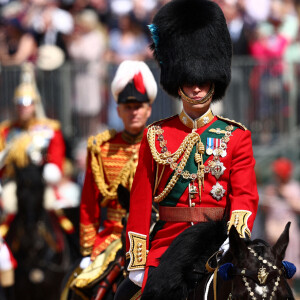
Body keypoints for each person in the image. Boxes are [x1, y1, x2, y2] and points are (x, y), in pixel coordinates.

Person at [115, 0, 259, 297]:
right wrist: (138, 259)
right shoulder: (156, 135)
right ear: (178, 81)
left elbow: (244, 196)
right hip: (167, 246)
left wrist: (233, 240)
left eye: (202, 81)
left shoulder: (236, 136)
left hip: (218, 245)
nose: (195, 88)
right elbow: (141, 203)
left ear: (213, 81)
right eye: (189, 81)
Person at [68, 60, 157, 298]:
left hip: (155, 234)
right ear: (117, 110)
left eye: (139, 106)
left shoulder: (162, 146)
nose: (134, 112)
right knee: (79, 286)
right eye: (128, 107)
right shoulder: (101, 148)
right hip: (112, 237)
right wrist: (88, 250)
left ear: (149, 109)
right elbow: (88, 204)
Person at [0, 62, 66, 234]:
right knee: (9, 205)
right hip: (15, 182)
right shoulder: (6, 131)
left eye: (27, 103)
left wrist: (52, 171)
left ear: (35, 104)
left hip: (41, 183)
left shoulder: (49, 129)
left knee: (53, 206)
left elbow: (57, 158)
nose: (23, 108)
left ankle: (63, 247)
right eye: (19, 103)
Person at [262, 157, 300, 281]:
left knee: (288, 265)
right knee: (271, 264)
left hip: (288, 232)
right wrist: (268, 198)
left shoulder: (294, 187)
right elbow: (265, 209)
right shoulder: (271, 188)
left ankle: (290, 291)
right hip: (272, 232)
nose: (277, 175)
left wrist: (285, 195)